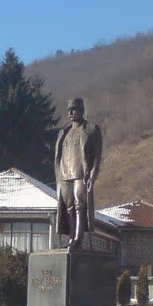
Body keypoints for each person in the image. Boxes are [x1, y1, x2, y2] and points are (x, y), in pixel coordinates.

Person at [54, 98, 103, 249]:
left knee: (79, 205)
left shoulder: (91, 129)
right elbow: (58, 156)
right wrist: (58, 178)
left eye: (73, 109)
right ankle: (71, 237)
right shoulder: (64, 132)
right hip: (64, 174)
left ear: (81, 110)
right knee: (69, 207)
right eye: (68, 110)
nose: (70, 112)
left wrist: (93, 174)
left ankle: (78, 238)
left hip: (81, 173)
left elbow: (96, 156)